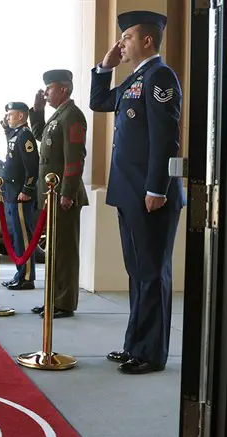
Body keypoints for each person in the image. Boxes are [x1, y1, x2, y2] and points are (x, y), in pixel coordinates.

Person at [90, 11, 185, 375]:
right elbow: (100, 103)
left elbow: (166, 137)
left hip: (150, 194)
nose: (121, 43)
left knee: (151, 273)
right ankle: (135, 345)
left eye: (127, 37)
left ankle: (151, 353)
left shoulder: (160, 77)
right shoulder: (136, 77)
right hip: (129, 193)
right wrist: (104, 66)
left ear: (147, 40)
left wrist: (156, 188)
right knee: (137, 272)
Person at [29, 69, 88, 319]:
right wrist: (38, 109)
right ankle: (54, 299)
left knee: (64, 251)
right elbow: (41, 135)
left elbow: (74, 158)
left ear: (63, 89)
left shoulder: (72, 116)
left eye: (49, 88)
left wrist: (67, 192)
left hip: (64, 196)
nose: (46, 92)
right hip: (52, 197)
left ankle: (64, 303)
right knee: (54, 251)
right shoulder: (58, 116)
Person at [0, 103, 39, 290]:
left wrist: (27, 189)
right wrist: (6, 129)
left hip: (21, 195)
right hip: (12, 193)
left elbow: (32, 166)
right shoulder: (16, 134)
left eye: (11, 115)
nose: (8, 118)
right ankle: (20, 273)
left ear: (22, 116)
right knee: (17, 237)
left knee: (24, 237)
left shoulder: (25, 135)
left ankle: (27, 276)